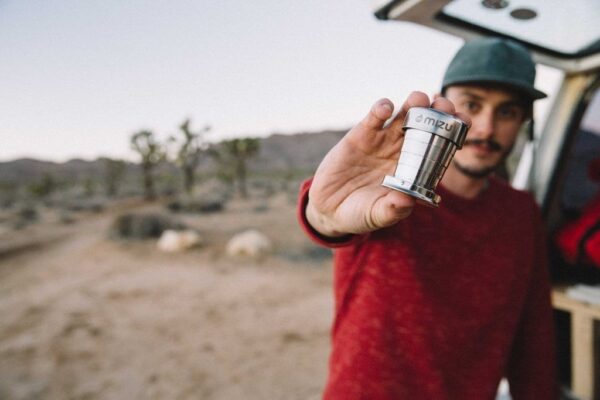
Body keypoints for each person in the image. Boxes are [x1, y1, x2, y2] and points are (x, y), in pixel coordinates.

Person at [297, 38, 557, 399]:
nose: (484, 128)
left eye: (507, 112)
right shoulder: (386, 191)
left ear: (524, 121)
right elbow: (327, 220)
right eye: (472, 104)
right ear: (445, 104)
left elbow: (534, 337)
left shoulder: (520, 213)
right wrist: (322, 211)